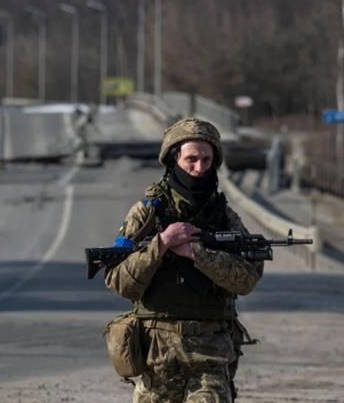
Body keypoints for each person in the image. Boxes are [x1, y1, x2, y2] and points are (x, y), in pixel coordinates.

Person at [105, 117, 264, 403]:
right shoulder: (146, 215)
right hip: (157, 354)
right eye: (191, 159)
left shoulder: (225, 217)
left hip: (211, 352)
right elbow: (120, 282)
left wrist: (196, 254)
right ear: (174, 159)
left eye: (206, 159)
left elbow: (246, 280)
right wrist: (162, 244)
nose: (199, 168)